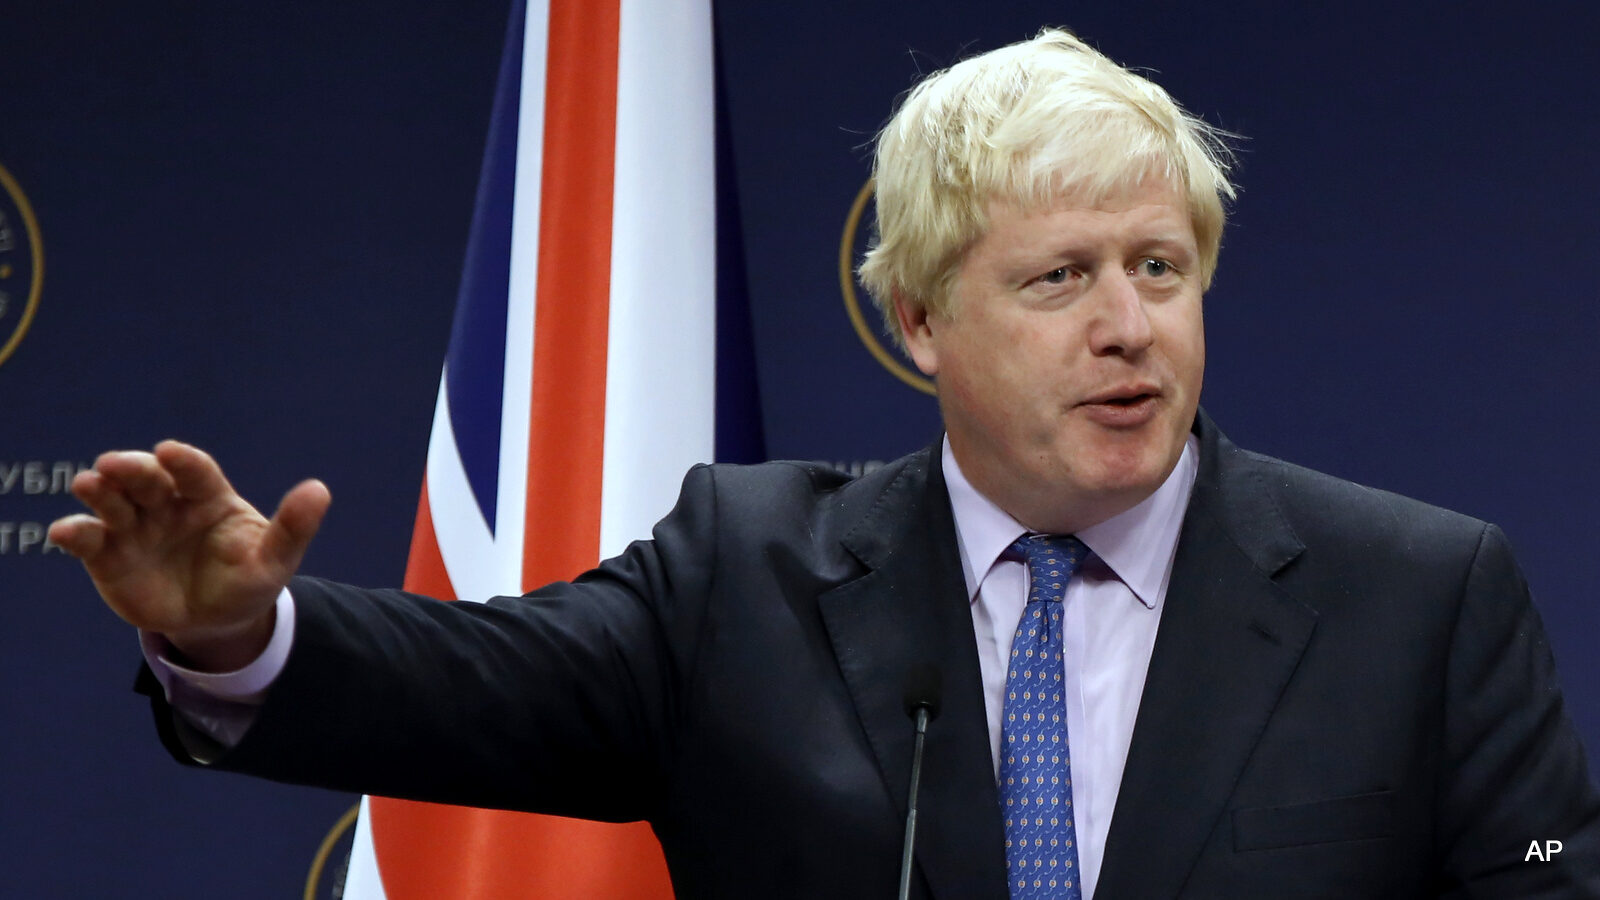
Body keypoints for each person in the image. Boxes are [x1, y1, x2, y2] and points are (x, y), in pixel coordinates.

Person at [51, 28, 1600, 899]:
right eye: (1061, 279)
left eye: (1160, 268)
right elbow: (473, 684)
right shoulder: (755, 572)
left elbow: (1544, 879)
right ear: (920, 319)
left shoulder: (1417, 594)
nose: (1131, 328)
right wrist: (235, 632)